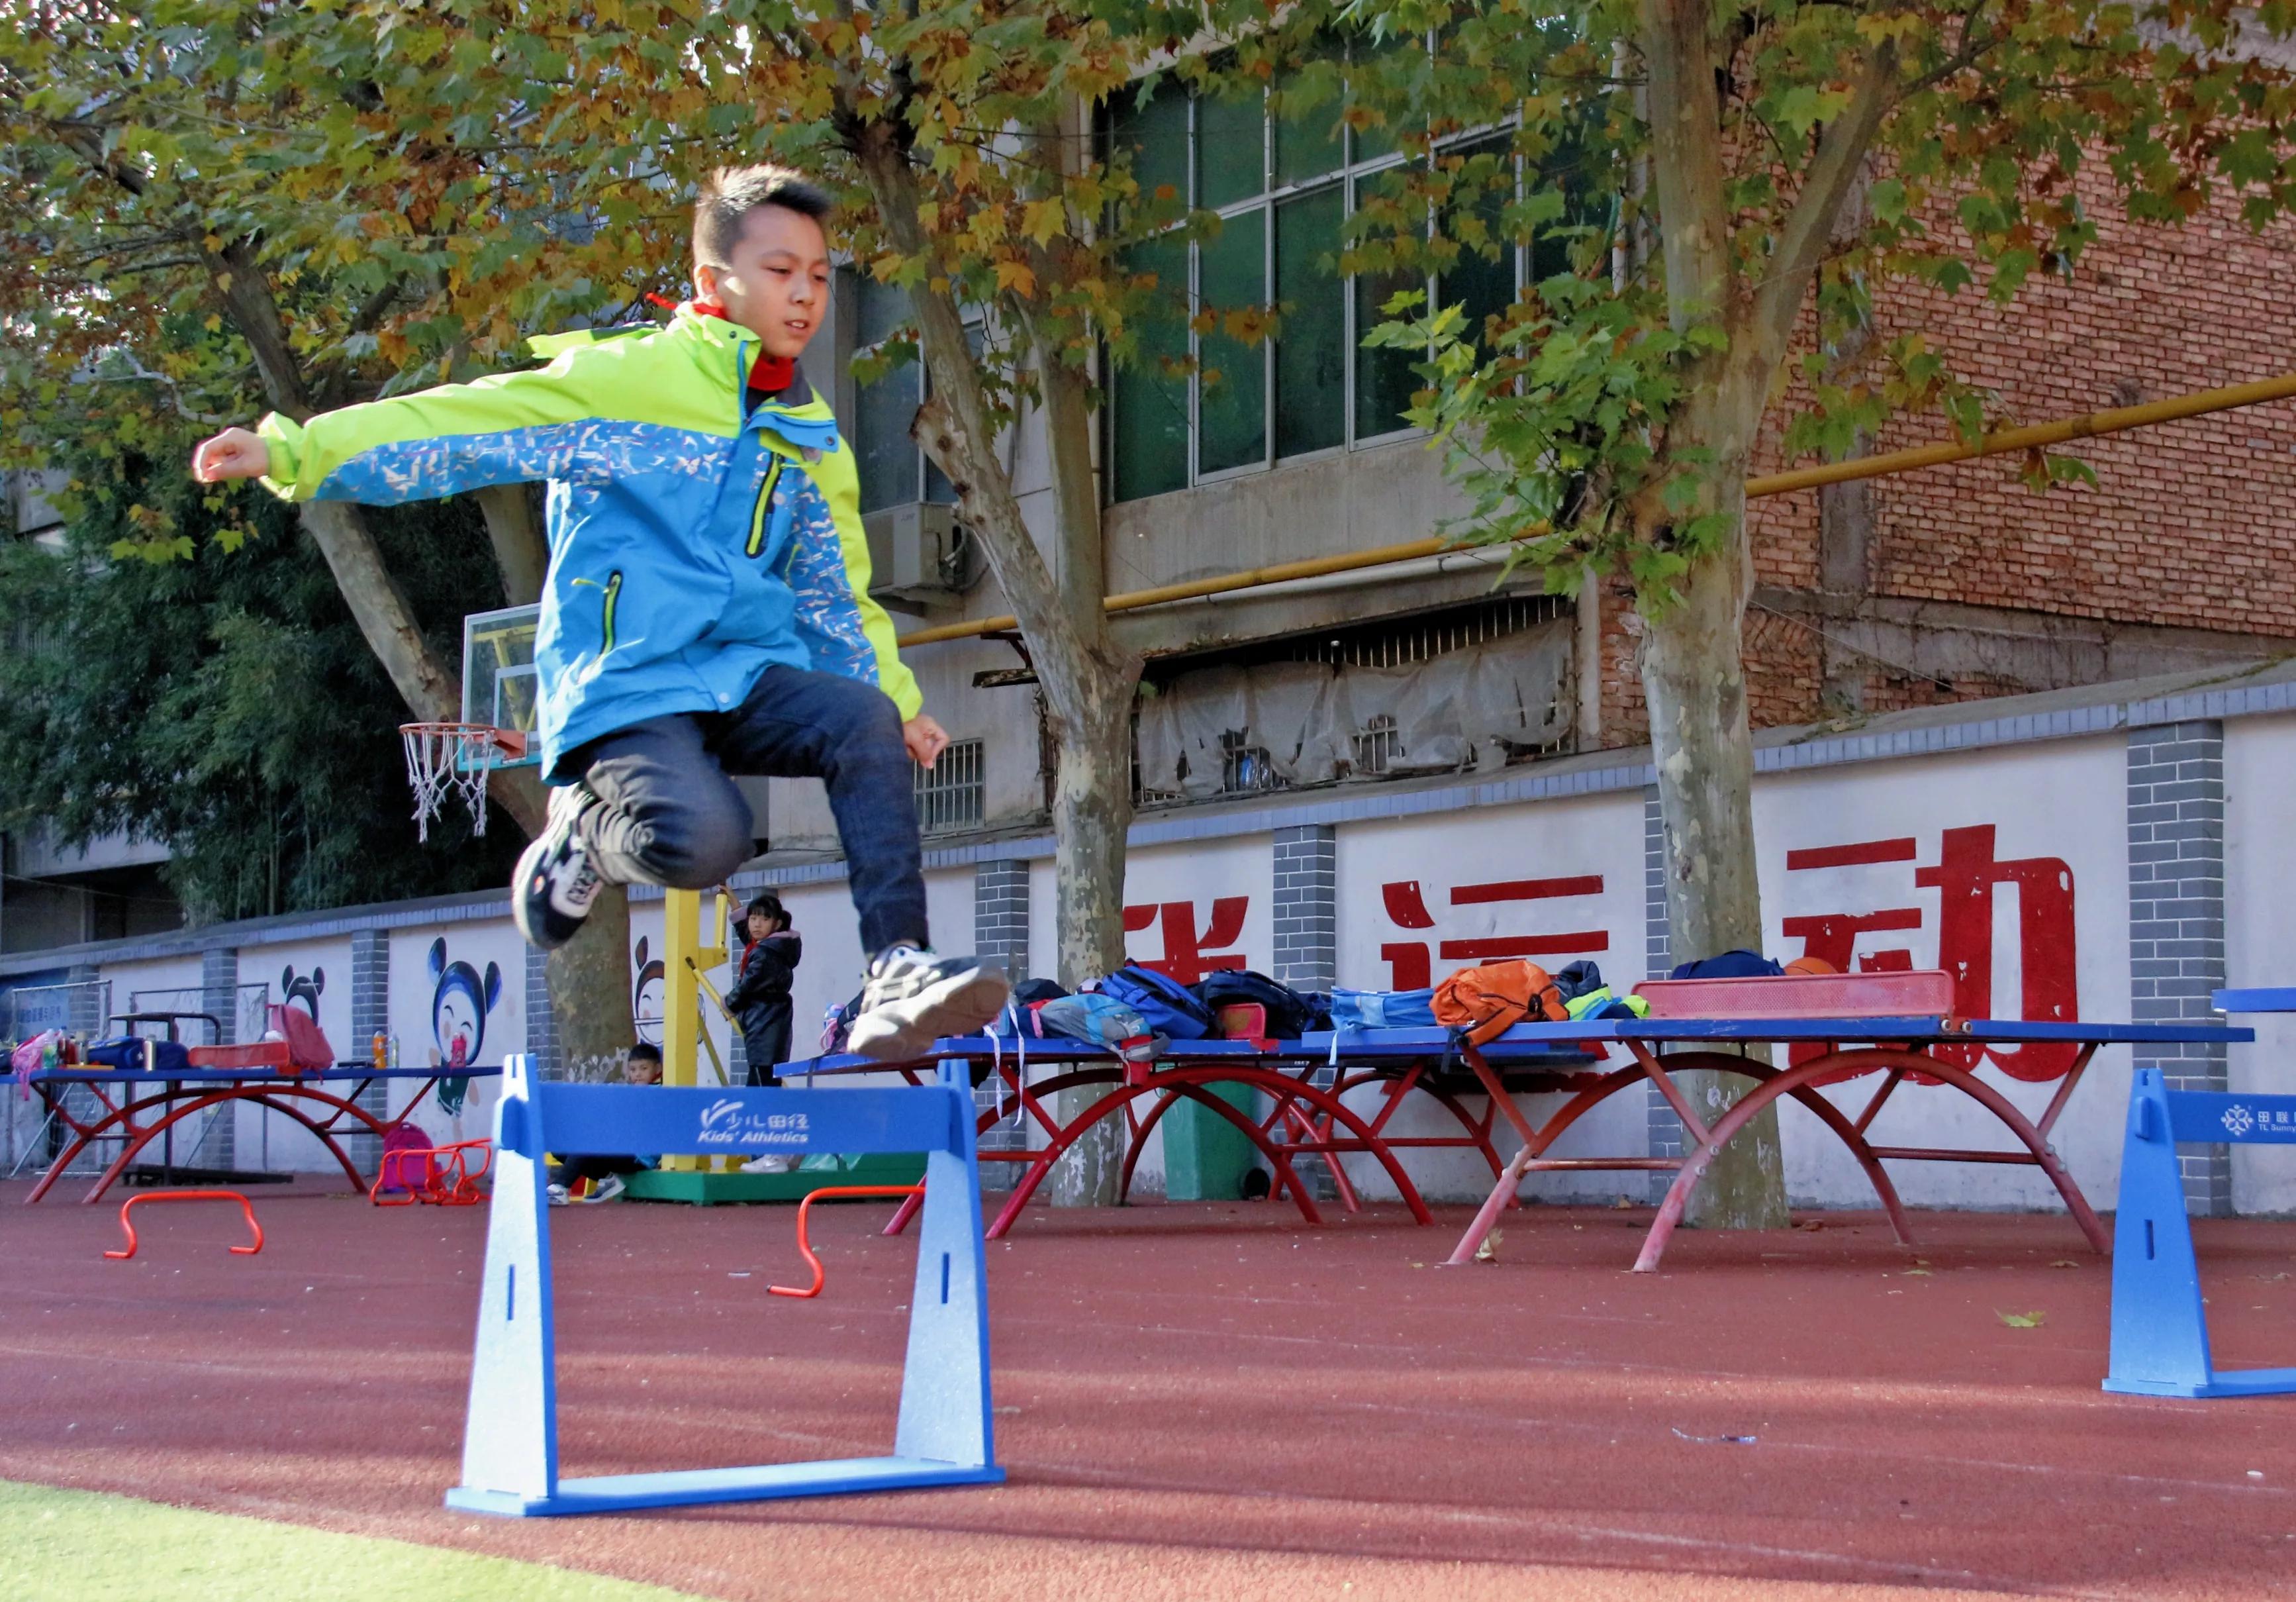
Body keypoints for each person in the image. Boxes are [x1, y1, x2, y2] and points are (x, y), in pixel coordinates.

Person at [191, 164, 1007, 1060]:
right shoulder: (628, 383)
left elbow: (836, 595)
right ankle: (580, 829)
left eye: (818, 274)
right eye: (780, 272)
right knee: (708, 841)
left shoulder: (808, 436)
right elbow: (464, 425)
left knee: (861, 719)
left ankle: (896, 964)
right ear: (713, 283)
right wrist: (294, 449)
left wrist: (897, 700)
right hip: (628, 679)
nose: (806, 295)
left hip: (736, 671)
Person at [547, 1043, 663, 1205]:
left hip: (639, 1156)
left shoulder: (660, 1094)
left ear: (657, 1069)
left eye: (644, 1069)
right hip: (620, 1149)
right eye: (633, 1069)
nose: (638, 1074)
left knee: (588, 1142)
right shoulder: (628, 1093)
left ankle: (560, 1188)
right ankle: (608, 1180)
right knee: (560, 1149)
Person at [724, 890, 800, 1083]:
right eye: (753, 918)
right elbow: (748, 936)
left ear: (777, 924)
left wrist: (729, 1003)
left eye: (765, 919)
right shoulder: (775, 946)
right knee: (767, 1078)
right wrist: (735, 904)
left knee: (760, 1081)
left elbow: (750, 983)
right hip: (771, 1020)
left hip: (764, 1021)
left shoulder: (766, 954)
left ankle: (760, 1114)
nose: (757, 924)